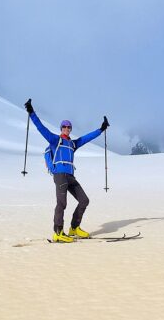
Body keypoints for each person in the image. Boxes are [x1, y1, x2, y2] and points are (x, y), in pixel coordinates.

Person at [25, 99, 109, 243]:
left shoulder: (72, 144)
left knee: (84, 200)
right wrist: (31, 112)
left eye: (69, 127)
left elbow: (87, 138)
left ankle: (74, 228)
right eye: (64, 126)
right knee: (62, 203)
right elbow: (41, 127)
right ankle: (58, 232)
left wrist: (101, 129)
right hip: (60, 175)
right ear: (61, 128)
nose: (67, 128)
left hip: (70, 176)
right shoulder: (54, 140)